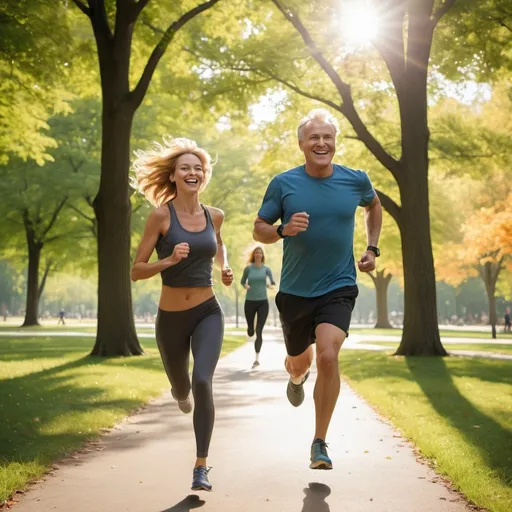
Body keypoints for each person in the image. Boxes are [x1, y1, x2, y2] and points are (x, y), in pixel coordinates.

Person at [253, 108, 382, 470]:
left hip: (338, 285)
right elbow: (259, 228)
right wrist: (282, 230)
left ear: (335, 143)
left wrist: (372, 247)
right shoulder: (284, 183)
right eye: (314, 138)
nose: (321, 143)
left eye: (327, 137)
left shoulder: (355, 180)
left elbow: (374, 205)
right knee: (302, 362)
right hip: (295, 291)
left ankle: (319, 442)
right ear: (302, 144)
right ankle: (295, 375)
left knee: (328, 355)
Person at [130, 137, 234, 492]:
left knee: (203, 381)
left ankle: (201, 465)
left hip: (208, 311)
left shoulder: (214, 215)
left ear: (204, 176)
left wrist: (225, 267)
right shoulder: (161, 215)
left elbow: (218, 242)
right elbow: (137, 269)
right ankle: (179, 391)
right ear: (173, 176)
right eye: (185, 168)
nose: (193, 172)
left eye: (198, 168)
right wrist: (169, 260)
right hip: (171, 318)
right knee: (183, 386)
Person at [240, 246, 276, 368]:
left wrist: (270, 285)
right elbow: (242, 281)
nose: (258, 254)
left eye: (260, 253)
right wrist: (246, 286)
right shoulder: (248, 269)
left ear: (262, 255)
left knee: (259, 331)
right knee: (251, 331)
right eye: (256, 252)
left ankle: (256, 358)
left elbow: (272, 282)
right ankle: (250, 328)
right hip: (250, 301)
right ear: (254, 255)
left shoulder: (266, 269)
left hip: (263, 302)